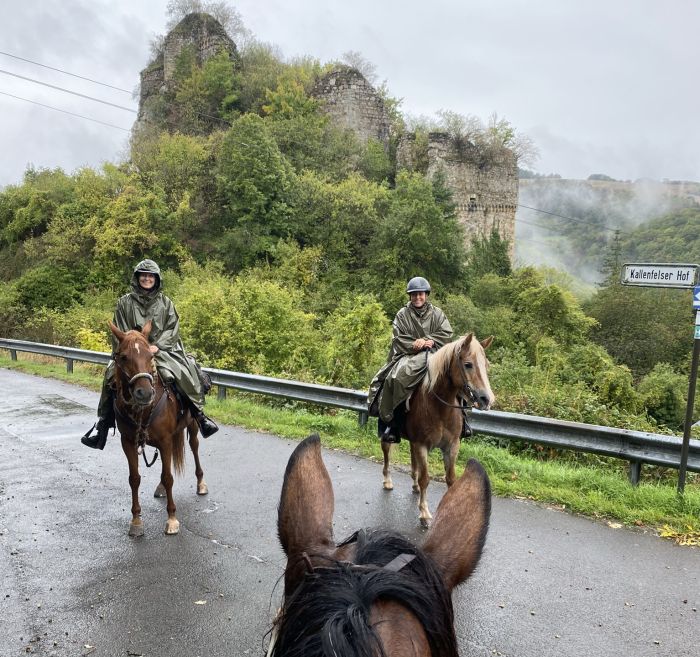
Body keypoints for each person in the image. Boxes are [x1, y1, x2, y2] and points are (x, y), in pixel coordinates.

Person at [81, 259, 218, 449]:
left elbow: (172, 329)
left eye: (150, 276)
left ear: (156, 279)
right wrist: (127, 350)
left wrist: (157, 346)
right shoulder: (124, 302)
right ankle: (102, 424)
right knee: (110, 375)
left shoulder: (166, 303)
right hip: (131, 354)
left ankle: (199, 415)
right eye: (143, 275)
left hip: (161, 350)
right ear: (137, 278)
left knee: (183, 371)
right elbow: (118, 331)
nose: (147, 279)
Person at [367, 276, 455, 444]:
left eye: (420, 294)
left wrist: (430, 340)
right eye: (414, 294)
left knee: (457, 375)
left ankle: (462, 421)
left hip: (435, 353)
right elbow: (397, 338)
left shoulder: (437, 313)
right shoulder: (402, 314)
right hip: (408, 355)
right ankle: (392, 423)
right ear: (410, 296)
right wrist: (415, 343)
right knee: (396, 378)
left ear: (426, 294)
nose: (417, 298)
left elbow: (446, 334)